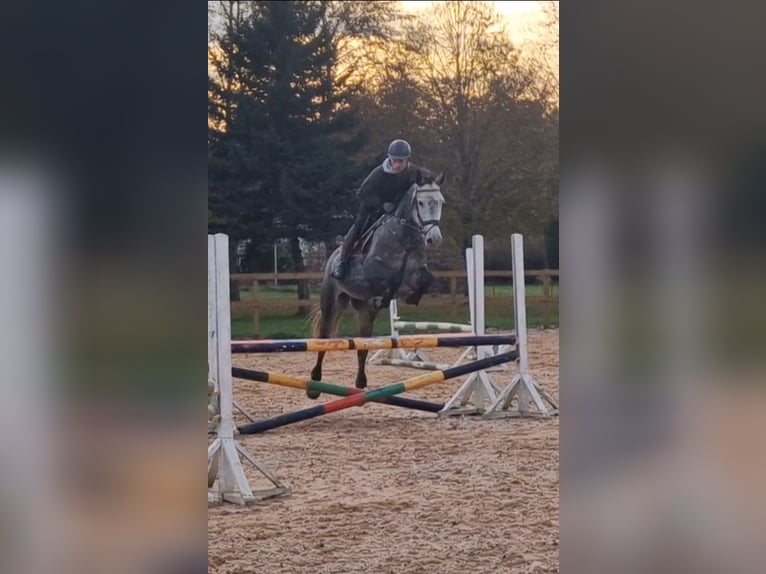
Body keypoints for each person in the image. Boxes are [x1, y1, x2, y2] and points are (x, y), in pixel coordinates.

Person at [331, 139, 433, 280]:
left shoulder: (414, 172)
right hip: (373, 208)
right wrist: (382, 204)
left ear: (407, 160)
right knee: (358, 228)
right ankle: (342, 261)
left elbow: (428, 182)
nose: (397, 165)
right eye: (394, 160)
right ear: (389, 158)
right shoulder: (379, 173)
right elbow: (361, 193)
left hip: (398, 210)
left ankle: (420, 263)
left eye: (401, 161)